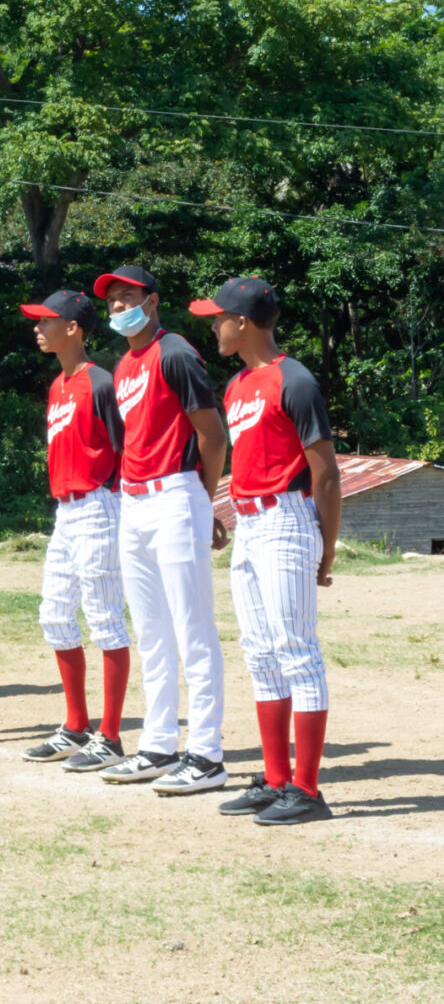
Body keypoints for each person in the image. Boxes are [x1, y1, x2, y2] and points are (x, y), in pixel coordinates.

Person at [192, 277, 340, 826]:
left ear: (246, 322)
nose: (214, 325)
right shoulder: (236, 385)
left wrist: (326, 547)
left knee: (295, 649)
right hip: (251, 521)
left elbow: (325, 473)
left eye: (219, 317)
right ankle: (277, 779)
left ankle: (307, 789)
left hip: (288, 518)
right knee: (259, 651)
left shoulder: (294, 379)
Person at [95, 265, 230, 795]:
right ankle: (157, 745)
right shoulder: (126, 362)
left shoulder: (174, 352)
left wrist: (204, 498)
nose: (117, 307)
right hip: (134, 500)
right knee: (150, 629)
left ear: (151, 301)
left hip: (176, 493)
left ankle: (207, 754)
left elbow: (213, 436)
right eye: (111, 301)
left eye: (126, 296)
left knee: (192, 628)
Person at [17, 291, 132, 769]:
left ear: (75, 329)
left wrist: (120, 501)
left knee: (105, 617)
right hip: (67, 510)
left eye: (48, 321)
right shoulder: (59, 385)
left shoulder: (100, 382)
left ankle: (110, 735)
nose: (37, 328)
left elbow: (127, 448)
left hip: (100, 502)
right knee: (54, 615)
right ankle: (76, 725)